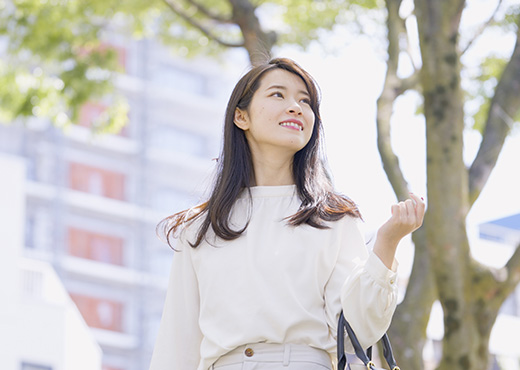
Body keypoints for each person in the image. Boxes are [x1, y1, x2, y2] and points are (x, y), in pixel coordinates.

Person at [149, 58, 425, 370]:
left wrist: (387, 244)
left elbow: (355, 333)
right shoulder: (201, 227)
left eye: (305, 101)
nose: (295, 107)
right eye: (278, 95)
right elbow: (177, 345)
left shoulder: (334, 218)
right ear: (241, 116)